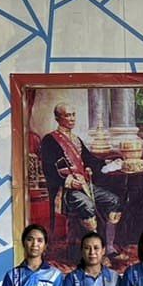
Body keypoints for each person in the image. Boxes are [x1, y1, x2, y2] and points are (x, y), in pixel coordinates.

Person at [38, 103, 123, 253]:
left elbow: (90, 160)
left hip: (84, 186)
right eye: (67, 115)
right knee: (87, 206)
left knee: (114, 200)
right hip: (65, 191)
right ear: (58, 118)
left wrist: (108, 162)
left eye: (73, 114)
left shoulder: (76, 139)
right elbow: (48, 170)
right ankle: (94, 250)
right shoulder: (49, 140)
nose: (72, 118)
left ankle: (109, 246)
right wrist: (69, 182)